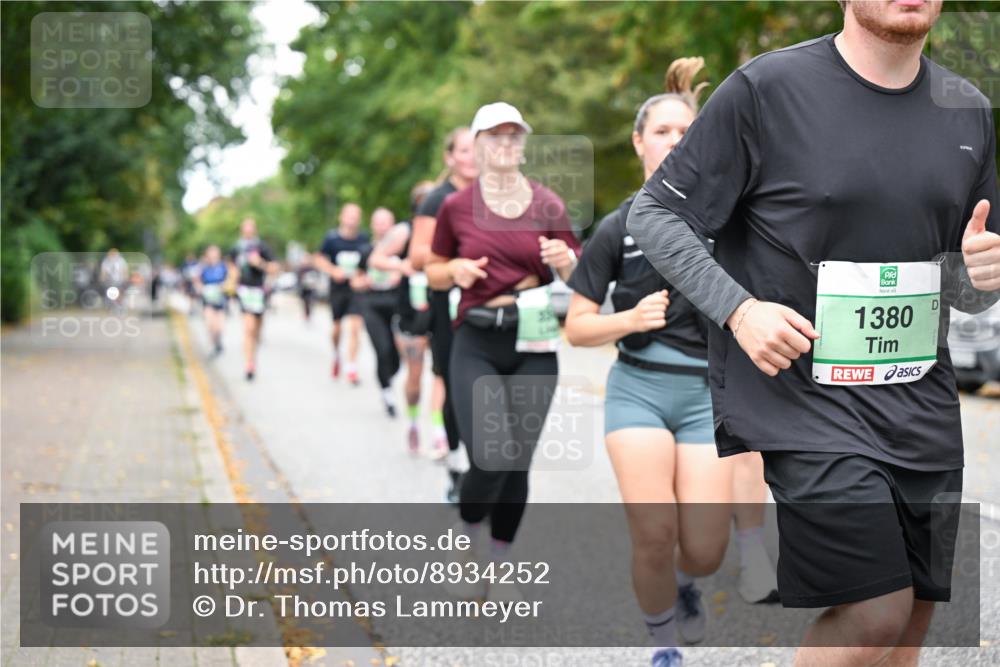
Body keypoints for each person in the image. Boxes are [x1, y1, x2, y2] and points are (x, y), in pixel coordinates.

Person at [627, 1, 999, 665]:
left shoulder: (965, 108)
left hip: (922, 401)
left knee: (910, 616)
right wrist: (740, 309)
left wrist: (983, 275)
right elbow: (658, 215)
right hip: (804, 400)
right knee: (871, 610)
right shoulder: (768, 90)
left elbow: (967, 285)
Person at [565, 57, 777, 667]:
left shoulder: (732, 220)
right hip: (639, 390)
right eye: (662, 131)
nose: (675, 142)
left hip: (706, 398)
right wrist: (628, 320)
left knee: (705, 551)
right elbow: (577, 326)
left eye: (687, 132)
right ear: (638, 142)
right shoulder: (618, 225)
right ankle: (663, 646)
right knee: (653, 531)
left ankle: (689, 583)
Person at [426, 102, 581, 600]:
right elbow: (432, 267)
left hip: (532, 340)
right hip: (476, 339)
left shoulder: (548, 204)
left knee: (517, 461)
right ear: (478, 145)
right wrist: (455, 272)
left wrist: (567, 262)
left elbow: (583, 277)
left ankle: (496, 562)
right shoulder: (455, 207)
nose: (506, 144)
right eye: (495, 136)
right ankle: (469, 526)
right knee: (490, 456)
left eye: (515, 136)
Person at [410, 128, 479, 500]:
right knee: (455, 386)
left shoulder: (496, 194)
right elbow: (417, 256)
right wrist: (456, 258)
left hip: (490, 302)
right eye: (464, 150)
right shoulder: (436, 201)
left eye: (477, 149)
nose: (472, 156)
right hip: (448, 304)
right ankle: (456, 466)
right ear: (450, 157)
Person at [368, 181, 437, 453]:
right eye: (427, 198)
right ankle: (413, 424)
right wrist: (403, 265)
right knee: (415, 376)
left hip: (444, 308)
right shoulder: (404, 231)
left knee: (444, 373)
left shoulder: (450, 227)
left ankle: (441, 432)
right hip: (411, 312)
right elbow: (376, 258)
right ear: (417, 204)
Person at [355, 207, 405, 418]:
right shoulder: (366, 251)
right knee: (382, 349)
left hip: (397, 305)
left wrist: (400, 276)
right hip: (372, 304)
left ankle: (388, 376)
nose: (383, 227)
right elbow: (355, 281)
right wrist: (364, 281)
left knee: (397, 356)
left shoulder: (401, 249)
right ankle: (387, 392)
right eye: (379, 222)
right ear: (373, 225)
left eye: (387, 222)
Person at [315, 203, 369, 386]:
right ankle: (336, 353)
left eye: (356, 216)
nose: (352, 220)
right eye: (349, 215)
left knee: (355, 327)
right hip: (337, 289)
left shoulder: (363, 239)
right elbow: (319, 259)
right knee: (337, 327)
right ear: (342, 217)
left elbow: (368, 262)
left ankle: (352, 367)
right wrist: (333, 270)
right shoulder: (332, 239)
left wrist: (361, 277)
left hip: (356, 289)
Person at [227, 218, 278, 381]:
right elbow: (231, 266)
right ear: (242, 230)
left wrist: (260, 263)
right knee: (248, 328)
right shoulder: (236, 248)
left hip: (259, 292)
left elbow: (274, 269)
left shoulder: (262, 247)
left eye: (251, 229)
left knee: (256, 330)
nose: (248, 232)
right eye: (245, 229)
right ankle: (249, 364)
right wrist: (232, 279)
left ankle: (252, 357)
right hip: (244, 291)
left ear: (254, 230)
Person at [195, 245, 229, 356]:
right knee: (210, 324)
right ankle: (214, 344)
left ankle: (218, 343)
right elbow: (197, 280)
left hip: (220, 299)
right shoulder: (203, 267)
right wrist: (201, 288)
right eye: (211, 253)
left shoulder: (223, 267)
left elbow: (230, 279)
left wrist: (224, 286)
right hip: (208, 299)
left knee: (219, 327)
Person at [297, 254, 321, 322]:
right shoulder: (301, 269)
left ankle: (309, 315)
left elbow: (317, 277)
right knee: (305, 303)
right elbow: (298, 279)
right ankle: (306, 315)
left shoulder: (313, 268)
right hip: (304, 289)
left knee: (311, 302)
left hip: (312, 288)